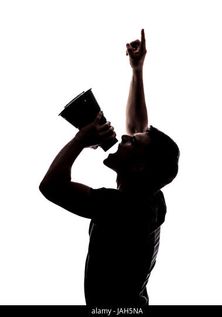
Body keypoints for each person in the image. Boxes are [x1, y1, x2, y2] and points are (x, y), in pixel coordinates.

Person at [39, 29, 180, 306]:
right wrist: (137, 71)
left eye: (131, 144)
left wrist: (80, 139)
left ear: (139, 167)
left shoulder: (122, 208)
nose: (125, 137)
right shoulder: (150, 197)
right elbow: (139, 127)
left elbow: (51, 187)